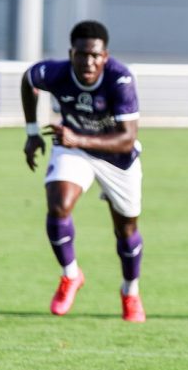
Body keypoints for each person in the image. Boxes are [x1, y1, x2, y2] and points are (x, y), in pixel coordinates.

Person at [21, 20, 146, 322]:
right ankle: (71, 275)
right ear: (71, 53)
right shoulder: (56, 73)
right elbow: (28, 80)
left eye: (95, 55)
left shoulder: (120, 79)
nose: (88, 62)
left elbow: (127, 138)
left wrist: (78, 138)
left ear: (105, 56)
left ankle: (130, 292)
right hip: (73, 149)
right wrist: (32, 131)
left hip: (117, 158)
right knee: (59, 206)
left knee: (126, 230)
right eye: (82, 54)